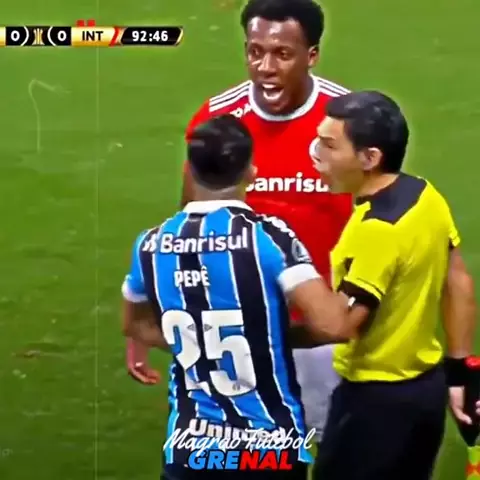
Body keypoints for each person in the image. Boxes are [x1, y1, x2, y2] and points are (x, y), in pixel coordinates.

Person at [127, 0, 352, 444]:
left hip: (325, 329)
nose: (265, 68)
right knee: (248, 452)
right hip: (241, 333)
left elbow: (378, 219)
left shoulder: (346, 120)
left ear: (311, 55)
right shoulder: (218, 119)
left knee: (336, 452)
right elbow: (188, 228)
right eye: (255, 51)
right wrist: (143, 324)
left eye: (282, 54)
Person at [121, 114, 351, 480]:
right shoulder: (269, 238)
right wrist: (271, 338)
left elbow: (135, 325)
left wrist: (194, 341)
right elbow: (332, 326)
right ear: (251, 172)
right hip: (268, 450)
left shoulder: (150, 244)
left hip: (190, 450)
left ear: (189, 171)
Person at [310, 90, 477, 480]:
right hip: (426, 393)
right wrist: (459, 372)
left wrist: (271, 328)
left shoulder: (376, 232)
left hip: (374, 408)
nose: (316, 154)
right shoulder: (425, 195)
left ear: (370, 158)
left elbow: (342, 326)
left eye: (329, 145)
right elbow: (457, 281)